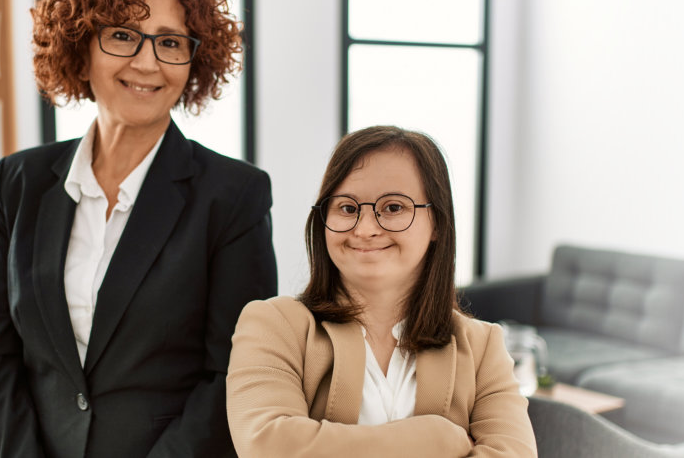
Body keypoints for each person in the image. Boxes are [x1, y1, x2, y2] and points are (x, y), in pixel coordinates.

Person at [0, 0, 273, 457]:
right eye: (124, 35)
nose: (148, 63)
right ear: (80, 51)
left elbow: (233, 377)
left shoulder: (234, 196)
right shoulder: (19, 182)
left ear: (194, 63)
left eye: (170, 42)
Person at [225, 126, 536, 457]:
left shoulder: (482, 347)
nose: (366, 229)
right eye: (347, 208)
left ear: (437, 225)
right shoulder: (273, 325)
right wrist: (436, 440)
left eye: (393, 208)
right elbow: (269, 447)